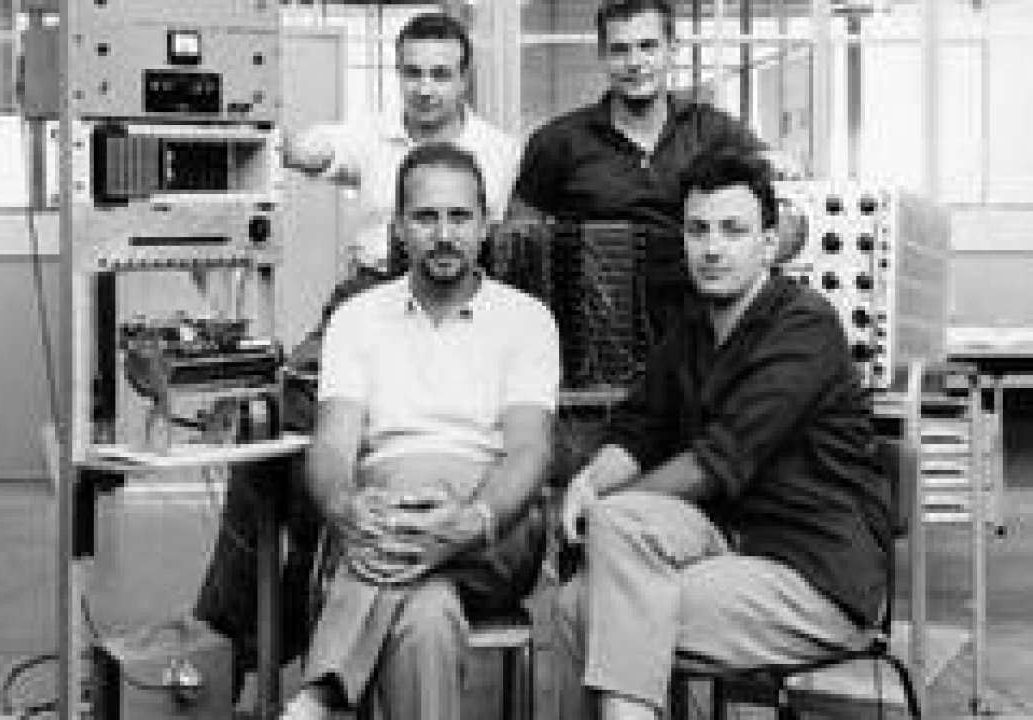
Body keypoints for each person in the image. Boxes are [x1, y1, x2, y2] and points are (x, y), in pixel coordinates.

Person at [552, 149, 890, 720]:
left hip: (814, 572)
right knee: (588, 590)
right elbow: (641, 428)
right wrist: (589, 483)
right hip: (730, 543)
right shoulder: (693, 323)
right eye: (698, 230)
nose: (712, 248)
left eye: (733, 231)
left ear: (769, 243)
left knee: (594, 607)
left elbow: (717, 462)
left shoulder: (804, 324)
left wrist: (602, 510)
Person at [279, 142, 559, 720]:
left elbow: (529, 452)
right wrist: (343, 503)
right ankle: (324, 691)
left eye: (460, 217)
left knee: (408, 504)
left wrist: (470, 519)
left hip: (495, 526)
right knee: (426, 616)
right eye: (426, 217)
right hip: (382, 518)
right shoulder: (356, 319)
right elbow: (332, 445)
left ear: (485, 226)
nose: (444, 234)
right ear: (399, 229)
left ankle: (322, 690)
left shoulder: (527, 319)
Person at [509, 0, 786, 336]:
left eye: (648, 46)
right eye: (620, 50)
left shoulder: (716, 133)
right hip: (594, 335)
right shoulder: (556, 142)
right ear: (602, 55)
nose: (635, 63)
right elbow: (517, 248)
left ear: (672, 49)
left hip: (701, 329)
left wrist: (782, 169)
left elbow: (776, 210)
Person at [283, 11, 520, 279]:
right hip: (375, 283)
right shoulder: (369, 134)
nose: (425, 90)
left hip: (465, 289)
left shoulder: (504, 152)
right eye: (413, 74)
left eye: (440, 75)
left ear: (464, 79)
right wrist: (283, 144)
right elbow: (312, 147)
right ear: (398, 73)